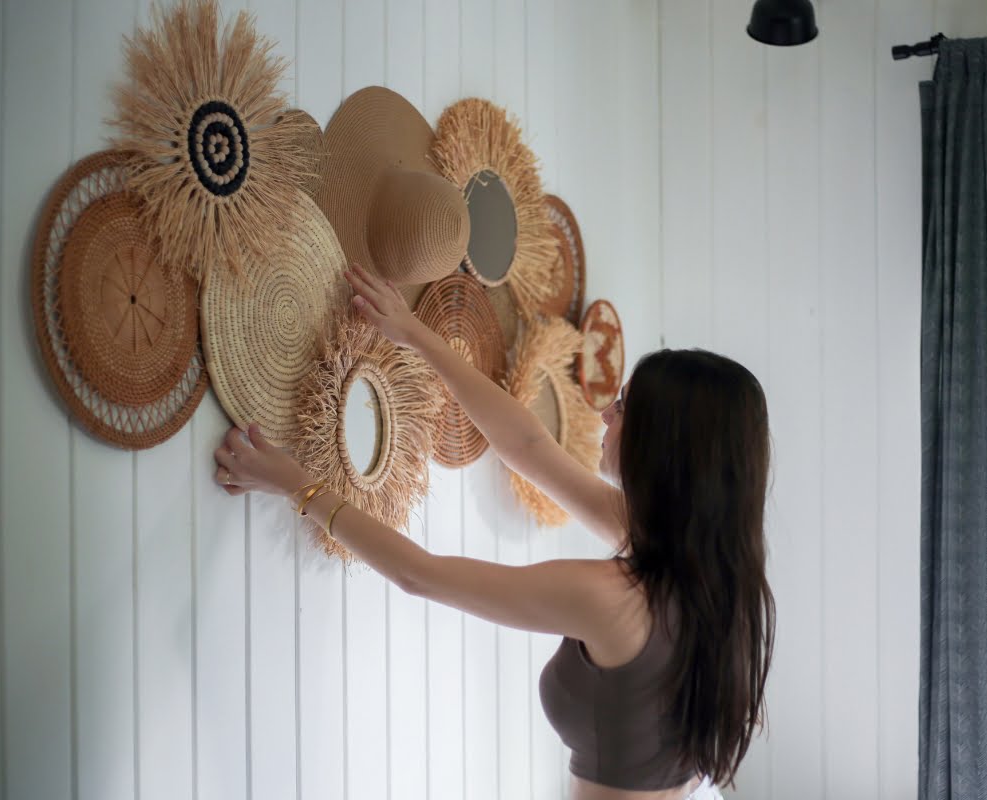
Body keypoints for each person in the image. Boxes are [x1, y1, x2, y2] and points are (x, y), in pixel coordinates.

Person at [215, 266, 776, 800]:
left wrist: (295, 484)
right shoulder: (710, 573)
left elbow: (420, 575)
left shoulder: (613, 600)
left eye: (624, 405)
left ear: (663, 446)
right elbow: (530, 449)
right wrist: (416, 336)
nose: (605, 413)